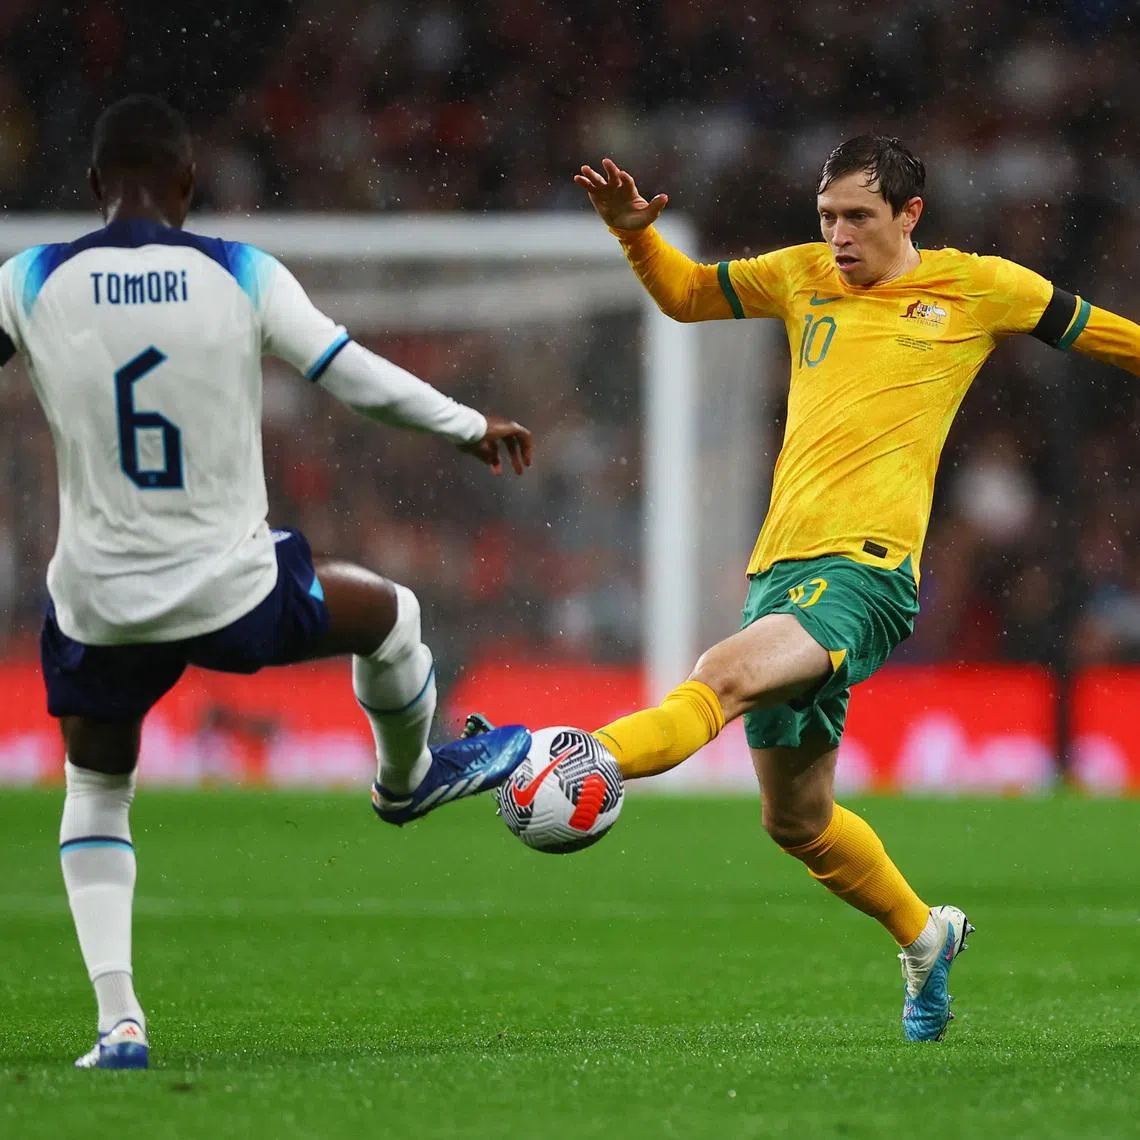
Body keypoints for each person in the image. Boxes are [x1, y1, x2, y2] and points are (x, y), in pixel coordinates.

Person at [0, 95, 535, 1070]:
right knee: (393, 614)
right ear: (190, 185)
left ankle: (119, 1022)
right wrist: (465, 425)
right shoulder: (240, 273)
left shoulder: (30, 279)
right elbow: (347, 371)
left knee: (96, 790)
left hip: (101, 603)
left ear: (90, 189)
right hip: (231, 591)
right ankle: (408, 780)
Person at [573, 138, 1140, 1041]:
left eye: (859, 218)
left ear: (910, 215)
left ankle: (567, 761)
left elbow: (1112, 338)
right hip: (782, 576)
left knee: (717, 677)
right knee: (795, 822)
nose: (838, 235)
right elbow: (684, 296)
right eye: (828, 217)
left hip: (868, 574)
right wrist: (632, 234)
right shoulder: (800, 276)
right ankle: (924, 936)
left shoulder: (983, 286)